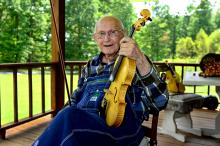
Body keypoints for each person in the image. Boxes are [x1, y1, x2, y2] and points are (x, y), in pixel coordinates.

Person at [32, 16, 168, 146]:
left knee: (68, 116)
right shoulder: (90, 66)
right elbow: (74, 99)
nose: (107, 38)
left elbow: (160, 101)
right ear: (95, 38)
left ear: (124, 34)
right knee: (65, 117)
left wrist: (139, 58)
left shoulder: (135, 63)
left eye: (113, 32)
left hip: (119, 133)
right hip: (84, 128)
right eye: (101, 34)